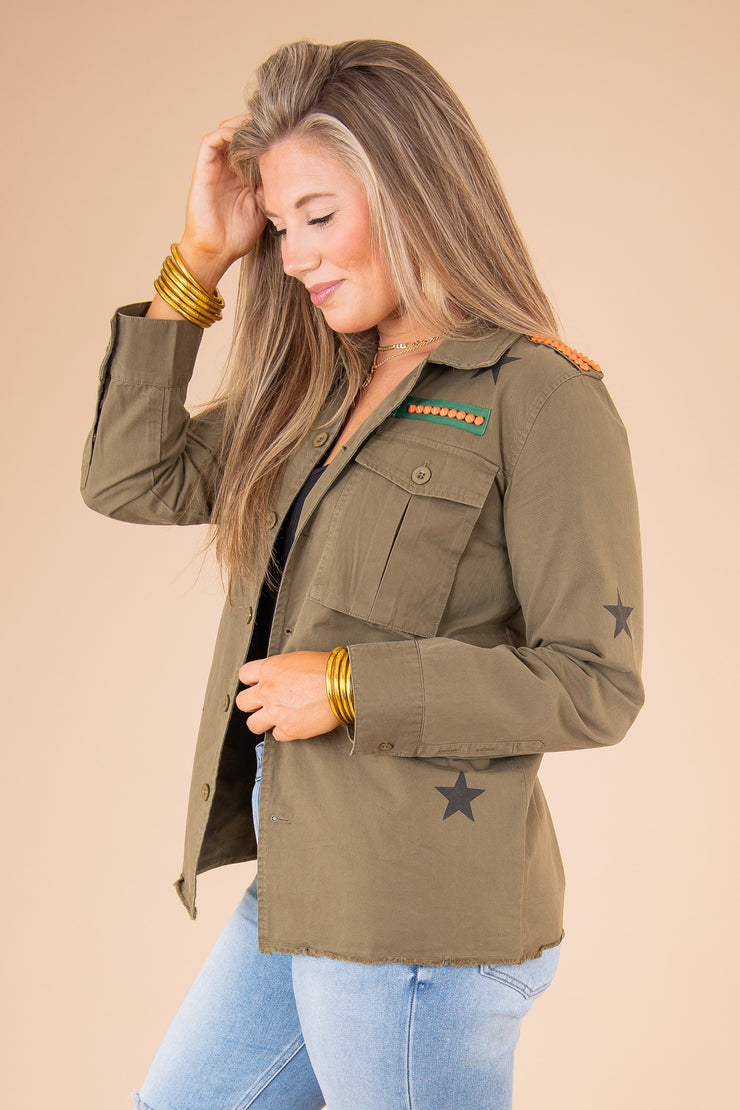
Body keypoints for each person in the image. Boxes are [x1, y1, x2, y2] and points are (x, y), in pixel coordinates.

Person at [81, 38, 644, 1110]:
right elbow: (129, 477)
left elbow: (593, 682)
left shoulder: (538, 397)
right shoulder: (314, 389)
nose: (293, 257)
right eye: (278, 226)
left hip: (416, 925)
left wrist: (348, 683)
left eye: (319, 216)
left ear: (409, 190)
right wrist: (196, 263)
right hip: (303, 888)